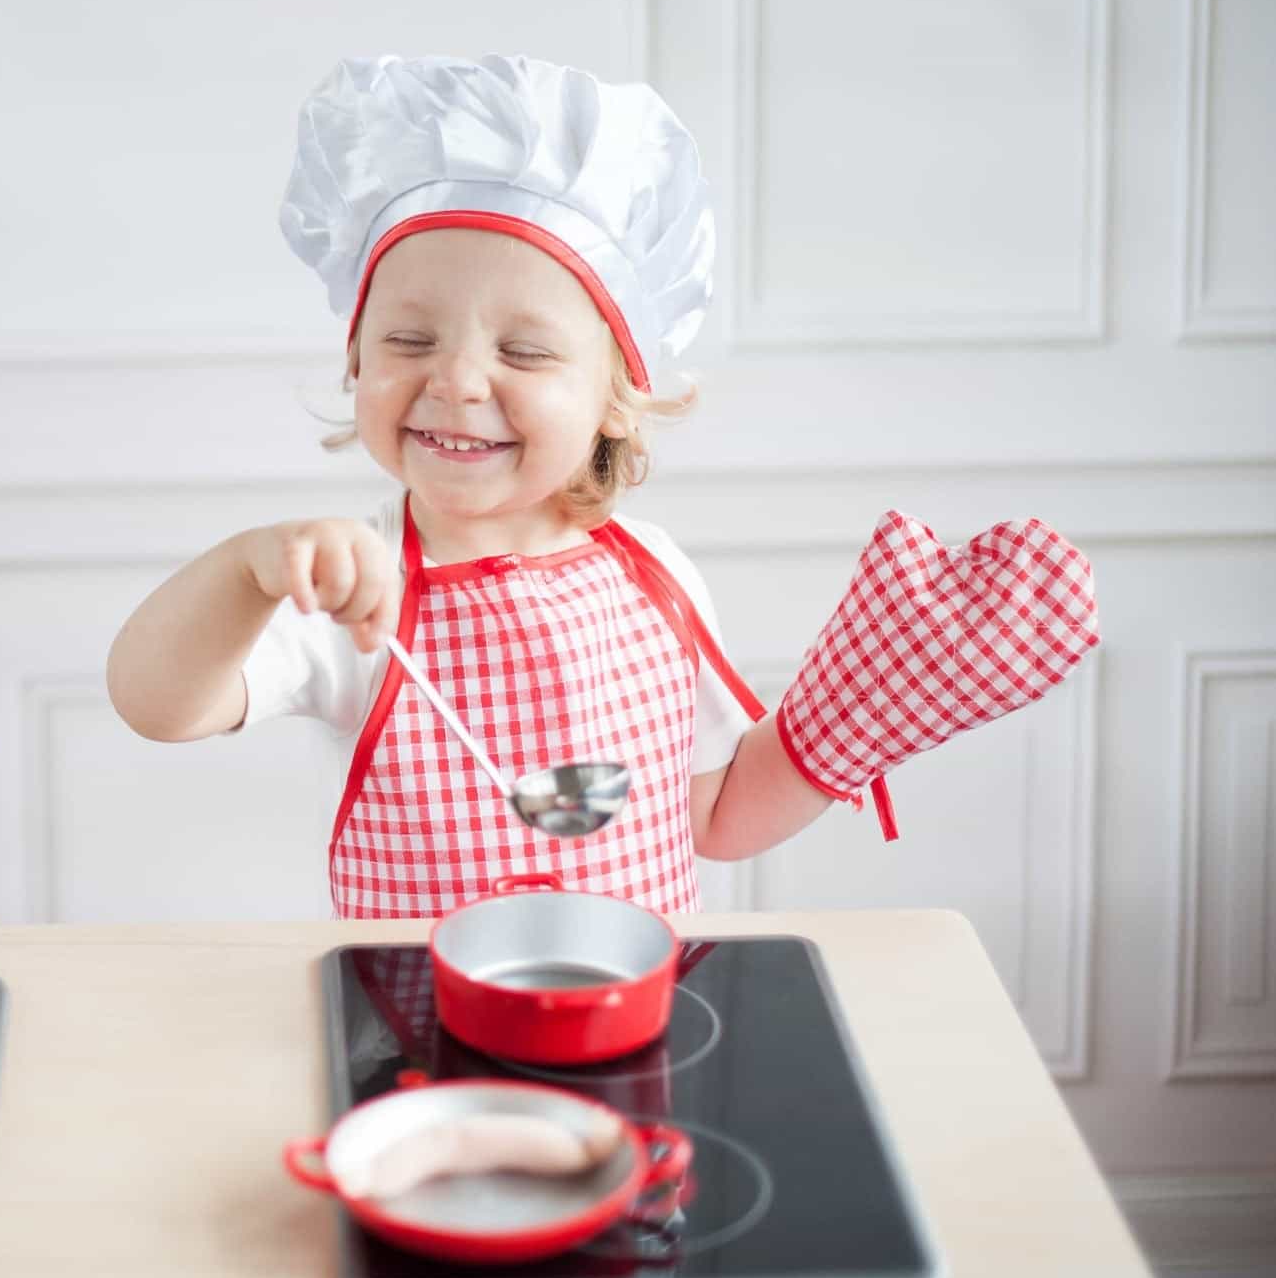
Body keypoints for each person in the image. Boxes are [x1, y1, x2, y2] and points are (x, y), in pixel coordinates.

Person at [107, 55, 1099, 920]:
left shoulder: (652, 573)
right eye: (408, 338)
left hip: (628, 1021)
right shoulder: (354, 589)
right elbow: (155, 703)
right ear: (354, 361)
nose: (454, 378)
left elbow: (713, 815)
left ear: (617, 399)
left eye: (525, 349)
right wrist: (250, 571)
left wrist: (859, 715)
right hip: (416, 1036)